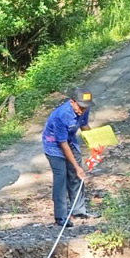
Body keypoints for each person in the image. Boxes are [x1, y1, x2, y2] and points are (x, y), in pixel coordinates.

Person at [41, 88, 94, 226]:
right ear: (72, 102)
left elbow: (84, 126)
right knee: (61, 176)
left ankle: (79, 210)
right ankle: (61, 216)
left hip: (70, 141)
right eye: (80, 107)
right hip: (54, 145)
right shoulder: (62, 115)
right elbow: (62, 144)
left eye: (85, 107)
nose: (82, 110)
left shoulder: (84, 108)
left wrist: (94, 142)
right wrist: (76, 167)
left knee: (77, 176)